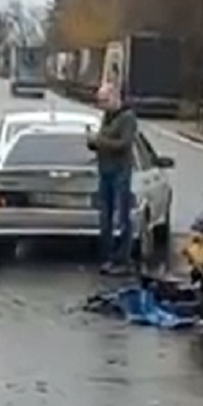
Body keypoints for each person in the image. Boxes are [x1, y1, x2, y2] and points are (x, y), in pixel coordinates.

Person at [87, 83, 138, 274]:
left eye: (104, 101)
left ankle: (123, 259)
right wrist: (93, 143)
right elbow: (105, 141)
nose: (101, 105)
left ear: (115, 98)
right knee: (105, 217)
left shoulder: (127, 118)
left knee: (122, 217)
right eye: (99, 101)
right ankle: (107, 257)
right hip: (105, 171)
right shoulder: (107, 117)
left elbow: (124, 144)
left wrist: (100, 142)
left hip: (120, 172)